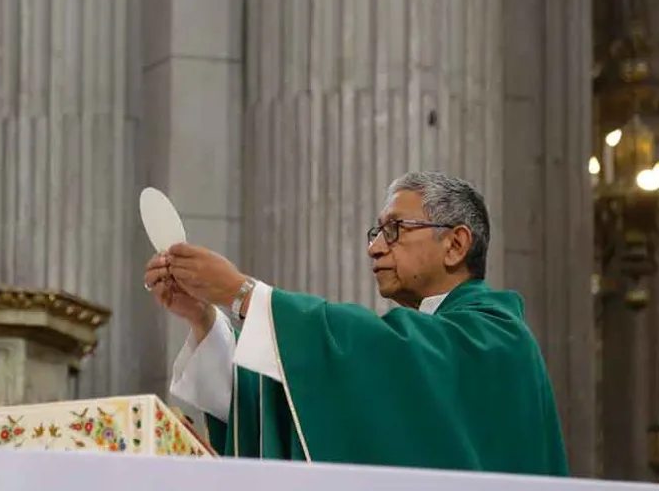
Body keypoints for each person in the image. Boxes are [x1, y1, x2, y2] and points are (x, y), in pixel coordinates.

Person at [144, 171, 569, 475]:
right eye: (376, 232)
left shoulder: (495, 338)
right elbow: (305, 408)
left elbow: (381, 350)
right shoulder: (421, 345)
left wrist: (241, 293)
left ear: (456, 244)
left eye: (395, 229)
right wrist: (203, 317)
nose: (375, 248)